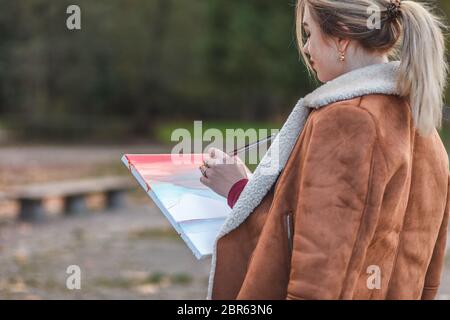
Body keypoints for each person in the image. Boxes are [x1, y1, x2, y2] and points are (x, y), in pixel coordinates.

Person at [200, 0, 450, 299]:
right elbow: (424, 274)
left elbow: (318, 268)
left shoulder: (348, 121)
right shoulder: (422, 126)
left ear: (341, 38)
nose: (306, 48)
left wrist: (239, 190)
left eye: (309, 32)